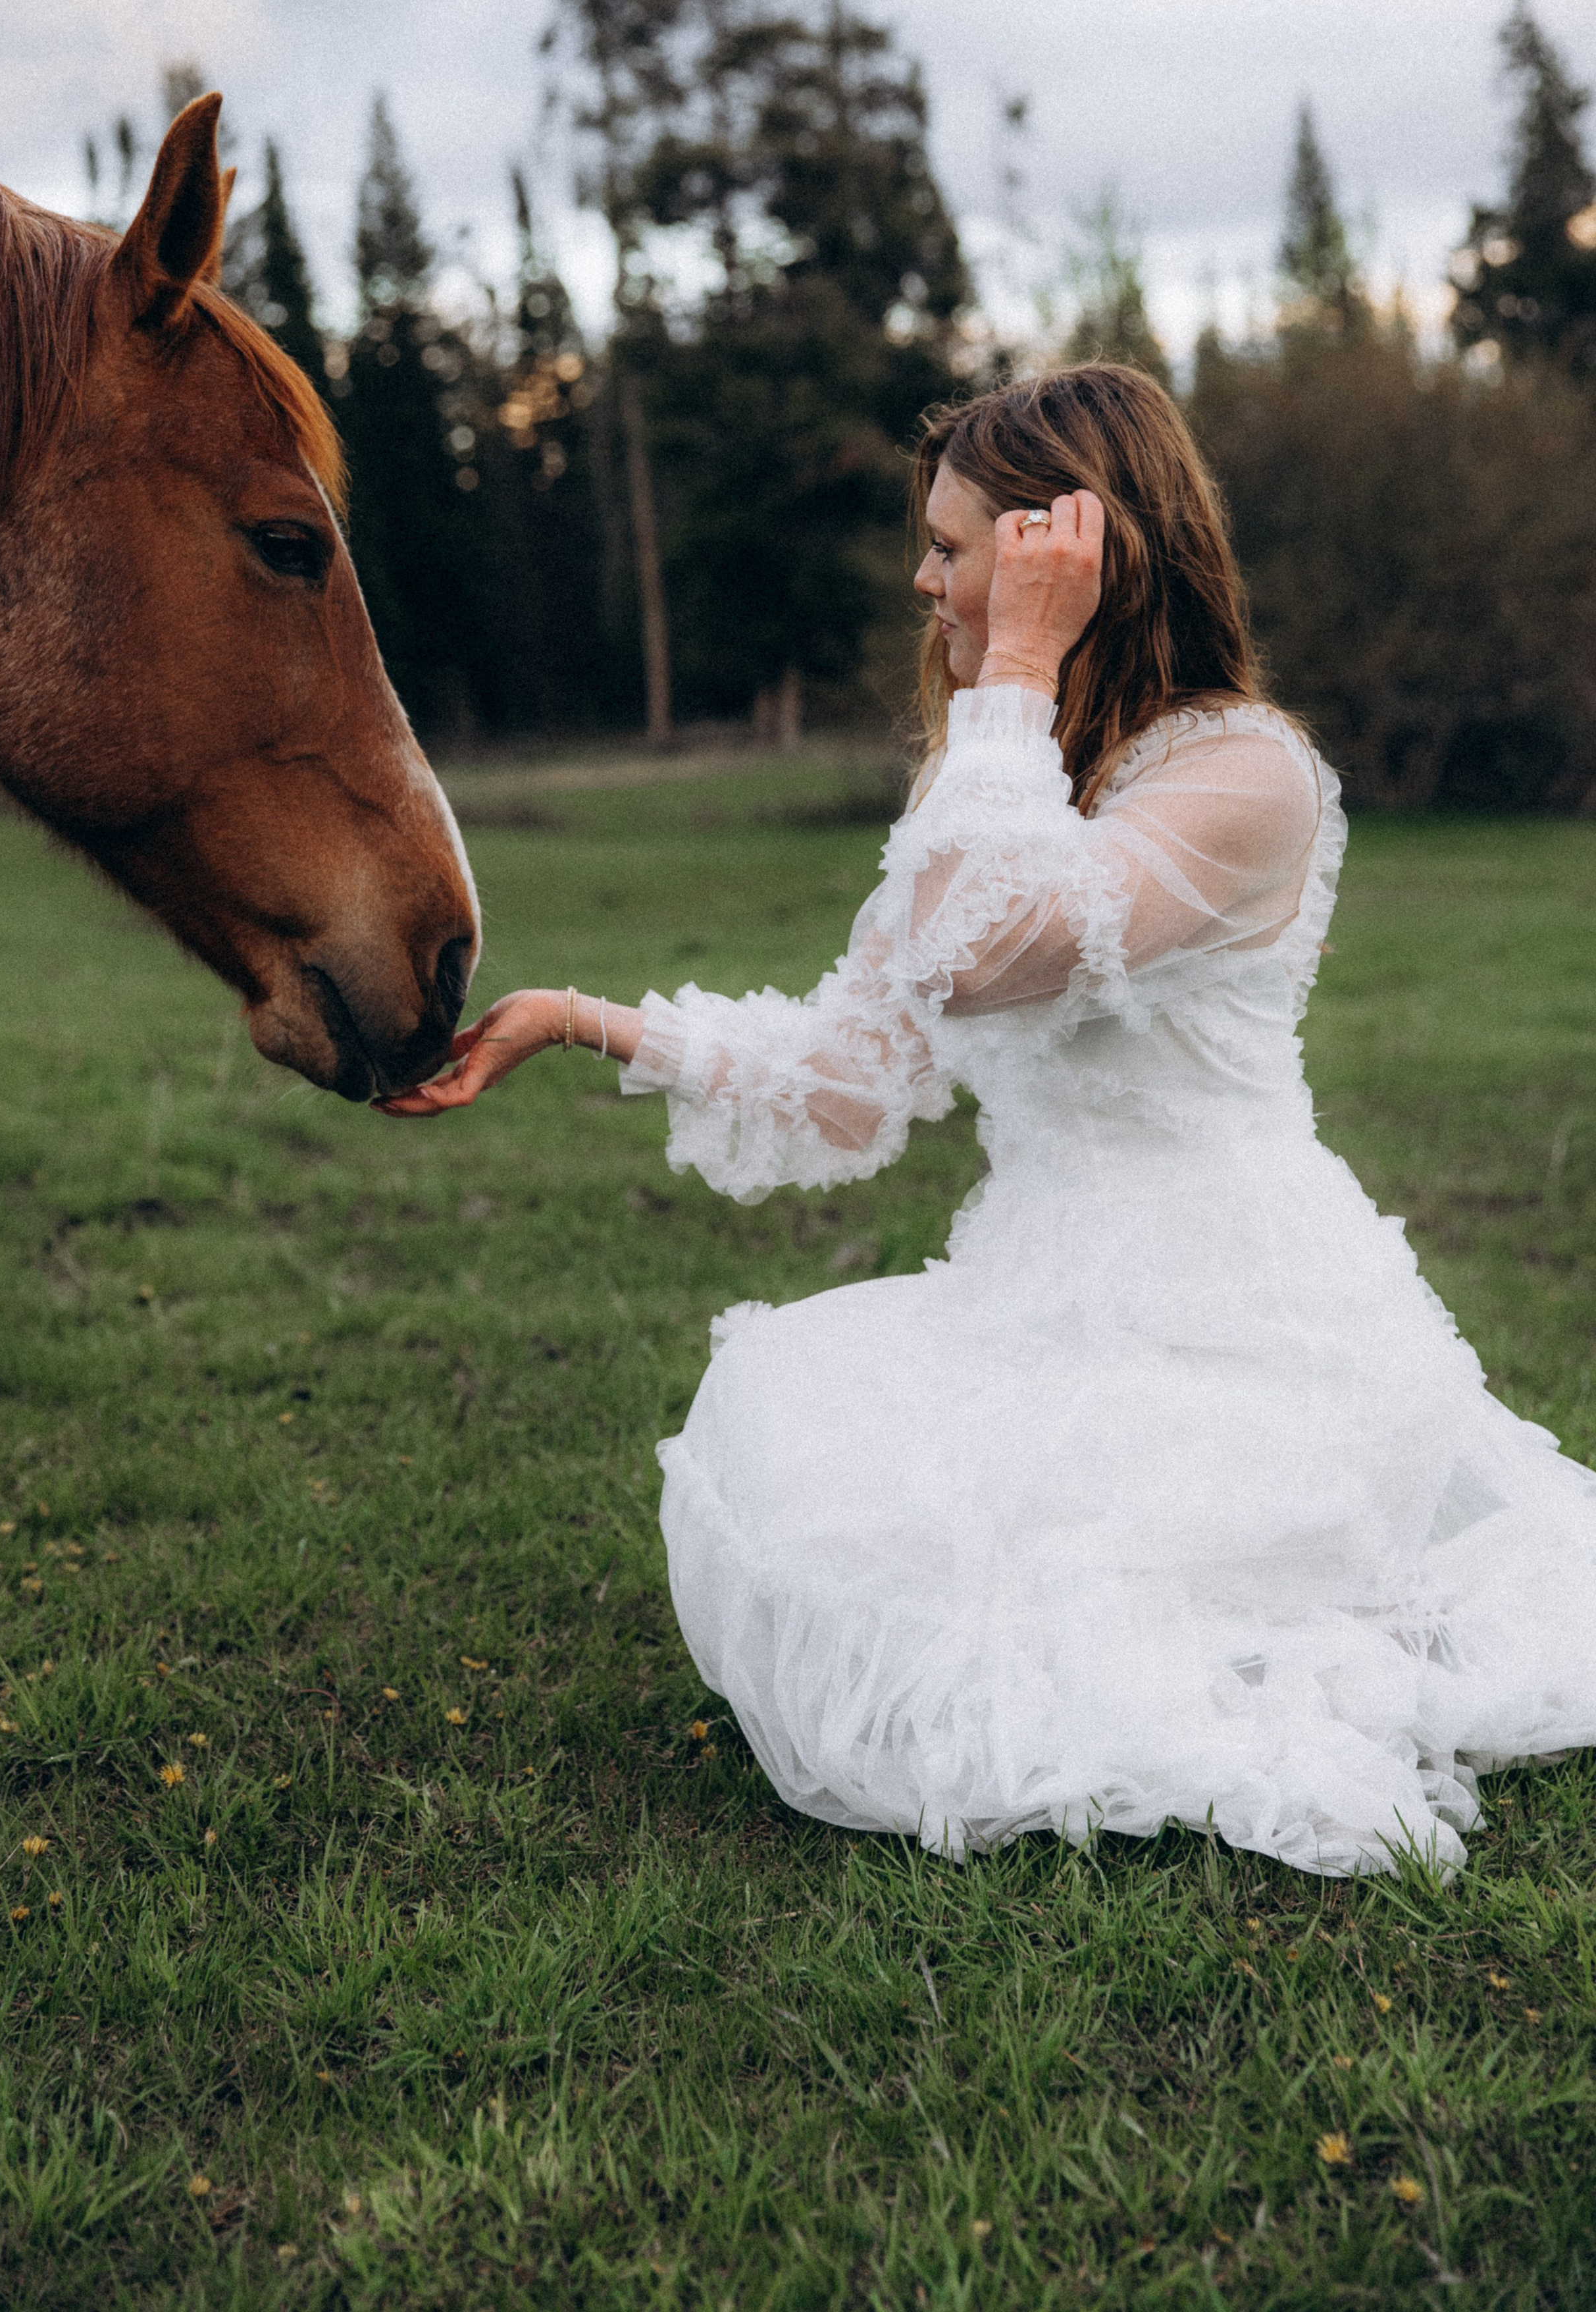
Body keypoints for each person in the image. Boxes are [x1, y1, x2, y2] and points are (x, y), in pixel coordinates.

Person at [379, 364, 1596, 1878]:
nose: (923, 577)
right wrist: (580, 1022)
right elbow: (851, 1087)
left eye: (956, 547)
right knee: (792, 1436)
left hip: (1234, 1329)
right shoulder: (997, 776)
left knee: (1061, 1610)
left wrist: (1012, 674)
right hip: (1038, 1296)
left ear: (1075, 561)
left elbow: (978, 950)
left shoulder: (1241, 775)